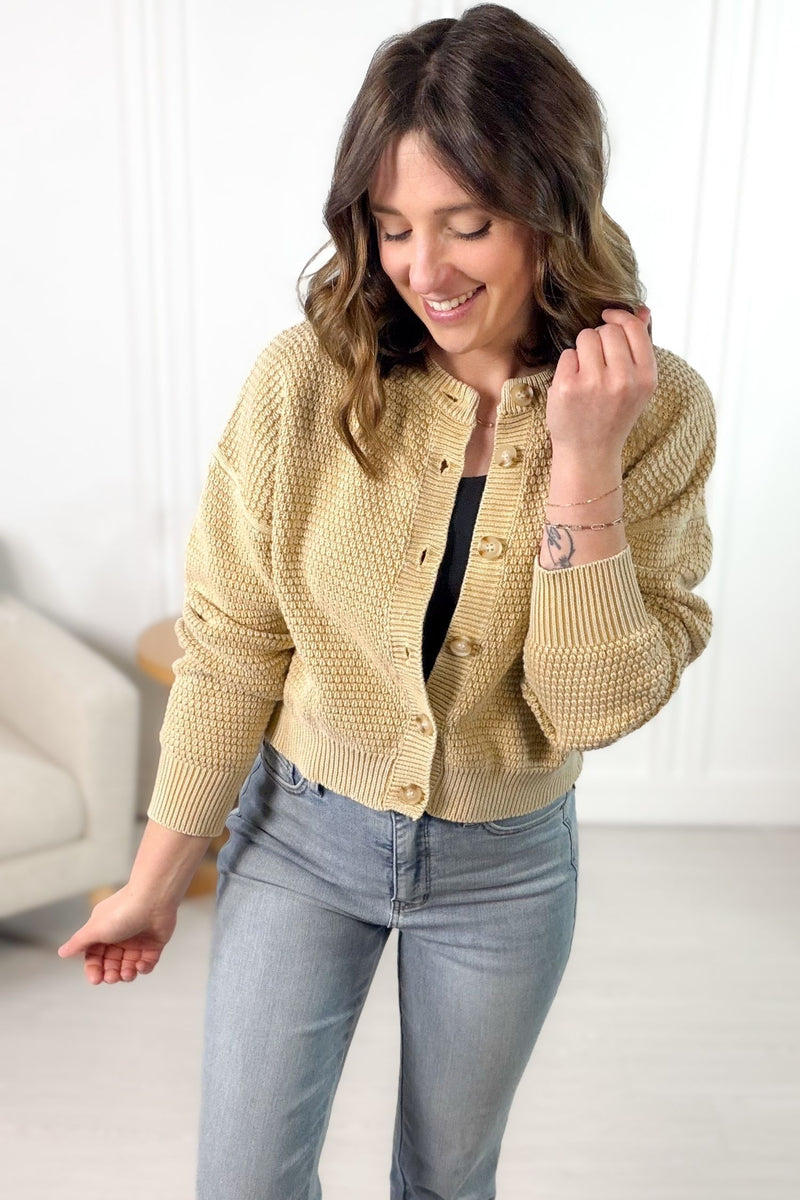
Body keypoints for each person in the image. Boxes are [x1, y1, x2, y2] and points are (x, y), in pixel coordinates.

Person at [58, 5, 715, 1197]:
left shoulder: (655, 408)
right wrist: (152, 884)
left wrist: (581, 464)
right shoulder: (303, 382)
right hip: (298, 835)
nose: (422, 268)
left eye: (466, 224)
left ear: (552, 208)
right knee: (244, 1179)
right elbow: (230, 646)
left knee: (446, 1182)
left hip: (505, 865)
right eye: (392, 224)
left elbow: (589, 709)